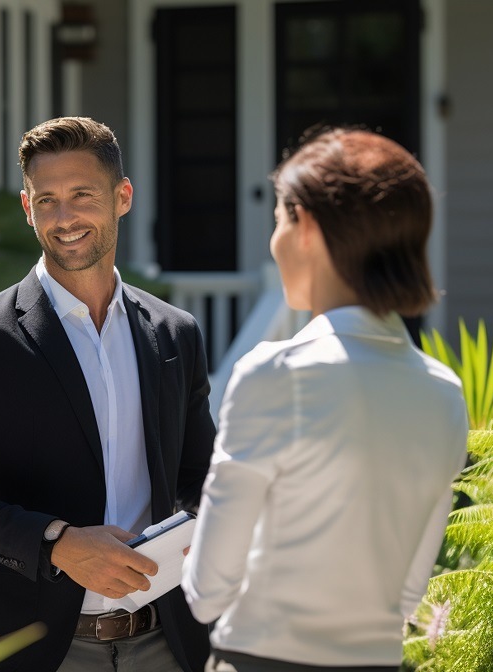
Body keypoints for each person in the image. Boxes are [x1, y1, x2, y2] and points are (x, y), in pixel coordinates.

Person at [0, 116, 215, 672]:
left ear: (122, 197)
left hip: (166, 643)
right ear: (28, 210)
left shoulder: (175, 333)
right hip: (36, 649)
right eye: (46, 200)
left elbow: (201, 477)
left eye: (82, 195)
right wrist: (58, 542)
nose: (65, 217)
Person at [181, 128, 470, 672]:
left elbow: (207, 594)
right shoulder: (444, 395)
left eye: (277, 221)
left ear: (306, 224)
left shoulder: (274, 374)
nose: (273, 242)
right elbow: (409, 596)